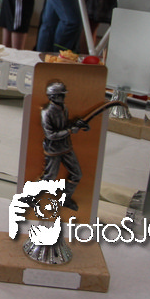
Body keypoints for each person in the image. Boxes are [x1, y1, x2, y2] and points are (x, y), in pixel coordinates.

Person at [39, 81, 88, 211]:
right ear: (53, 96)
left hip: (66, 147)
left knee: (77, 174)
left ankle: (65, 199)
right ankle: (31, 198)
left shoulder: (64, 108)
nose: (64, 97)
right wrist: (70, 130)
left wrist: (77, 125)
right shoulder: (46, 112)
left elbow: (64, 125)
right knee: (49, 177)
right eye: (61, 95)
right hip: (53, 150)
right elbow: (50, 134)